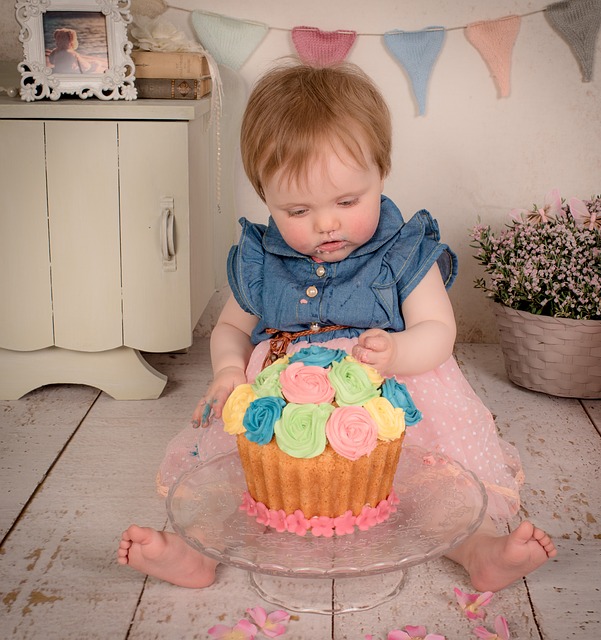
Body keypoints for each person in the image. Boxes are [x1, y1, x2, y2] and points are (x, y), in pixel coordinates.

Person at [118, 62, 556, 591]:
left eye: (348, 201)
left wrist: (397, 352)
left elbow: (438, 331)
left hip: (387, 391)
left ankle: (479, 550)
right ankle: (196, 554)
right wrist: (230, 371)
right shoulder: (262, 257)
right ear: (265, 197)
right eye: (298, 209)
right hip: (282, 400)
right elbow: (230, 329)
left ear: (381, 172)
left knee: (435, 483)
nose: (327, 224)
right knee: (239, 481)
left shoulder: (402, 251)